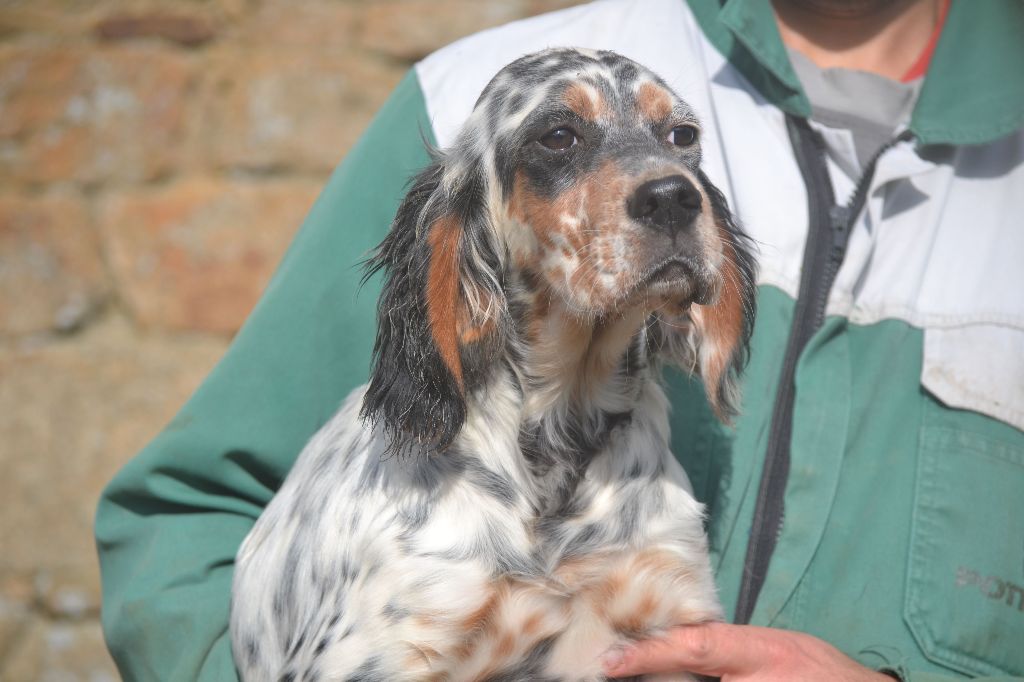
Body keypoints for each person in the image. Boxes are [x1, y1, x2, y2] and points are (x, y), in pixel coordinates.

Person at [95, 0, 1024, 680]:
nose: (661, 182)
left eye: (676, 139)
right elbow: (189, 523)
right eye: (560, 142)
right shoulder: (457, 97)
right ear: (466, 245)